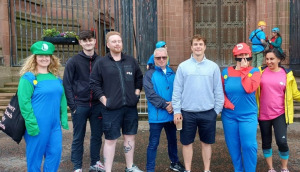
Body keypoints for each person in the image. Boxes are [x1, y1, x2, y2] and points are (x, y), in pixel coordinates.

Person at [90, 31, 144, 172]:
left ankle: (130, 167)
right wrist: (104, 100)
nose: (117, 43)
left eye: (119, 41)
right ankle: (108, 170)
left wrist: (136, 93)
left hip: (130, 108)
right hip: (111, 109)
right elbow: (94, 83)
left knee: (130, 137)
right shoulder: (101, 63)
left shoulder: (130, 61)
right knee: (110, 140)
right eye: (113, 41)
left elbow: (139, 78)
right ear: (108, 45)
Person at [172, 35, 224, 172]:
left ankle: (207, 170)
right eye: (195, 44)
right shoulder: (183, 67)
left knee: (206, 143)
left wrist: (216, 111)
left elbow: (218, 90)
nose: (198, 47)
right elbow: (177, 90)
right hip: (187, 112)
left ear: (205, 47)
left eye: (200, 44)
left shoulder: (213, 67)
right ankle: (188, 170)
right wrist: (177, 110)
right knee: (187, 143)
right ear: (191, 47)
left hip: (208, 112)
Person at [18, 41, 69, 171]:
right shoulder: (28, 77)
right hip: (37, 124)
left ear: (51, 58)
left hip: (54, 124)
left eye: (47, 56)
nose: (44, 58)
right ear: (34, 58)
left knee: (55, 154)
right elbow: (24, 102)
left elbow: (62, 97)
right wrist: (31, 123)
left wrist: (63, 117)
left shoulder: (55, 77)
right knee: (35, 157)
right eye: (40, 55)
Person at [63, 30, 104, 172]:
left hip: (97, 105)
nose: (88, 42)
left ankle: (95, 162)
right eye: (84, 40)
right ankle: (77, 166)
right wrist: (72, 105)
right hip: (79, 105)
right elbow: (67, 84)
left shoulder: (101, 61)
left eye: (90, 40)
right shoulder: (73, 61)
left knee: (97, 135)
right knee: (78, 136)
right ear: (80, 42)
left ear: (95, 41)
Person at [257, 48, 300, 172]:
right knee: (266, 142)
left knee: (282, 142)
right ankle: (270, 168)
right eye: (267, 59)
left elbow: (295, 94)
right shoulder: (260, 72)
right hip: (263, 114)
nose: (269, 62)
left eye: (272, 59)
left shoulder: (287, 74)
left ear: (279, 59)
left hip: (280, 114)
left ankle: (284, 168)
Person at [143, 47, 185, 172]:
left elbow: (178, 90)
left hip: (171, 114)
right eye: (158, 58)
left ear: (167, 58)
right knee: (153, 143)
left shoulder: (172, 72)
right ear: (154, 59)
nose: (161, 60)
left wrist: (174, 104)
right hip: (157, 115)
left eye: (164, 57)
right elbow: (150, 94)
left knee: (172, 140)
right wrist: (165, 105)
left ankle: (174, 162)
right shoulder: (149, 74)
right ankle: (150, 168)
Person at [221, 43, 261, 172]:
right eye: (240, 55)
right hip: (229, 116)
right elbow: (219, 91)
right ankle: (238, 169)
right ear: (235, 56)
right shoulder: (226, 72)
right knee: (233, 146)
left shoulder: (254, 71)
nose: (243, 57)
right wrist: (226, 103)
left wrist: (244, 70)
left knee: (249, 145)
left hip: (248, 115)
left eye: (246, 55)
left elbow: (249, 89)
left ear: (249, 56)